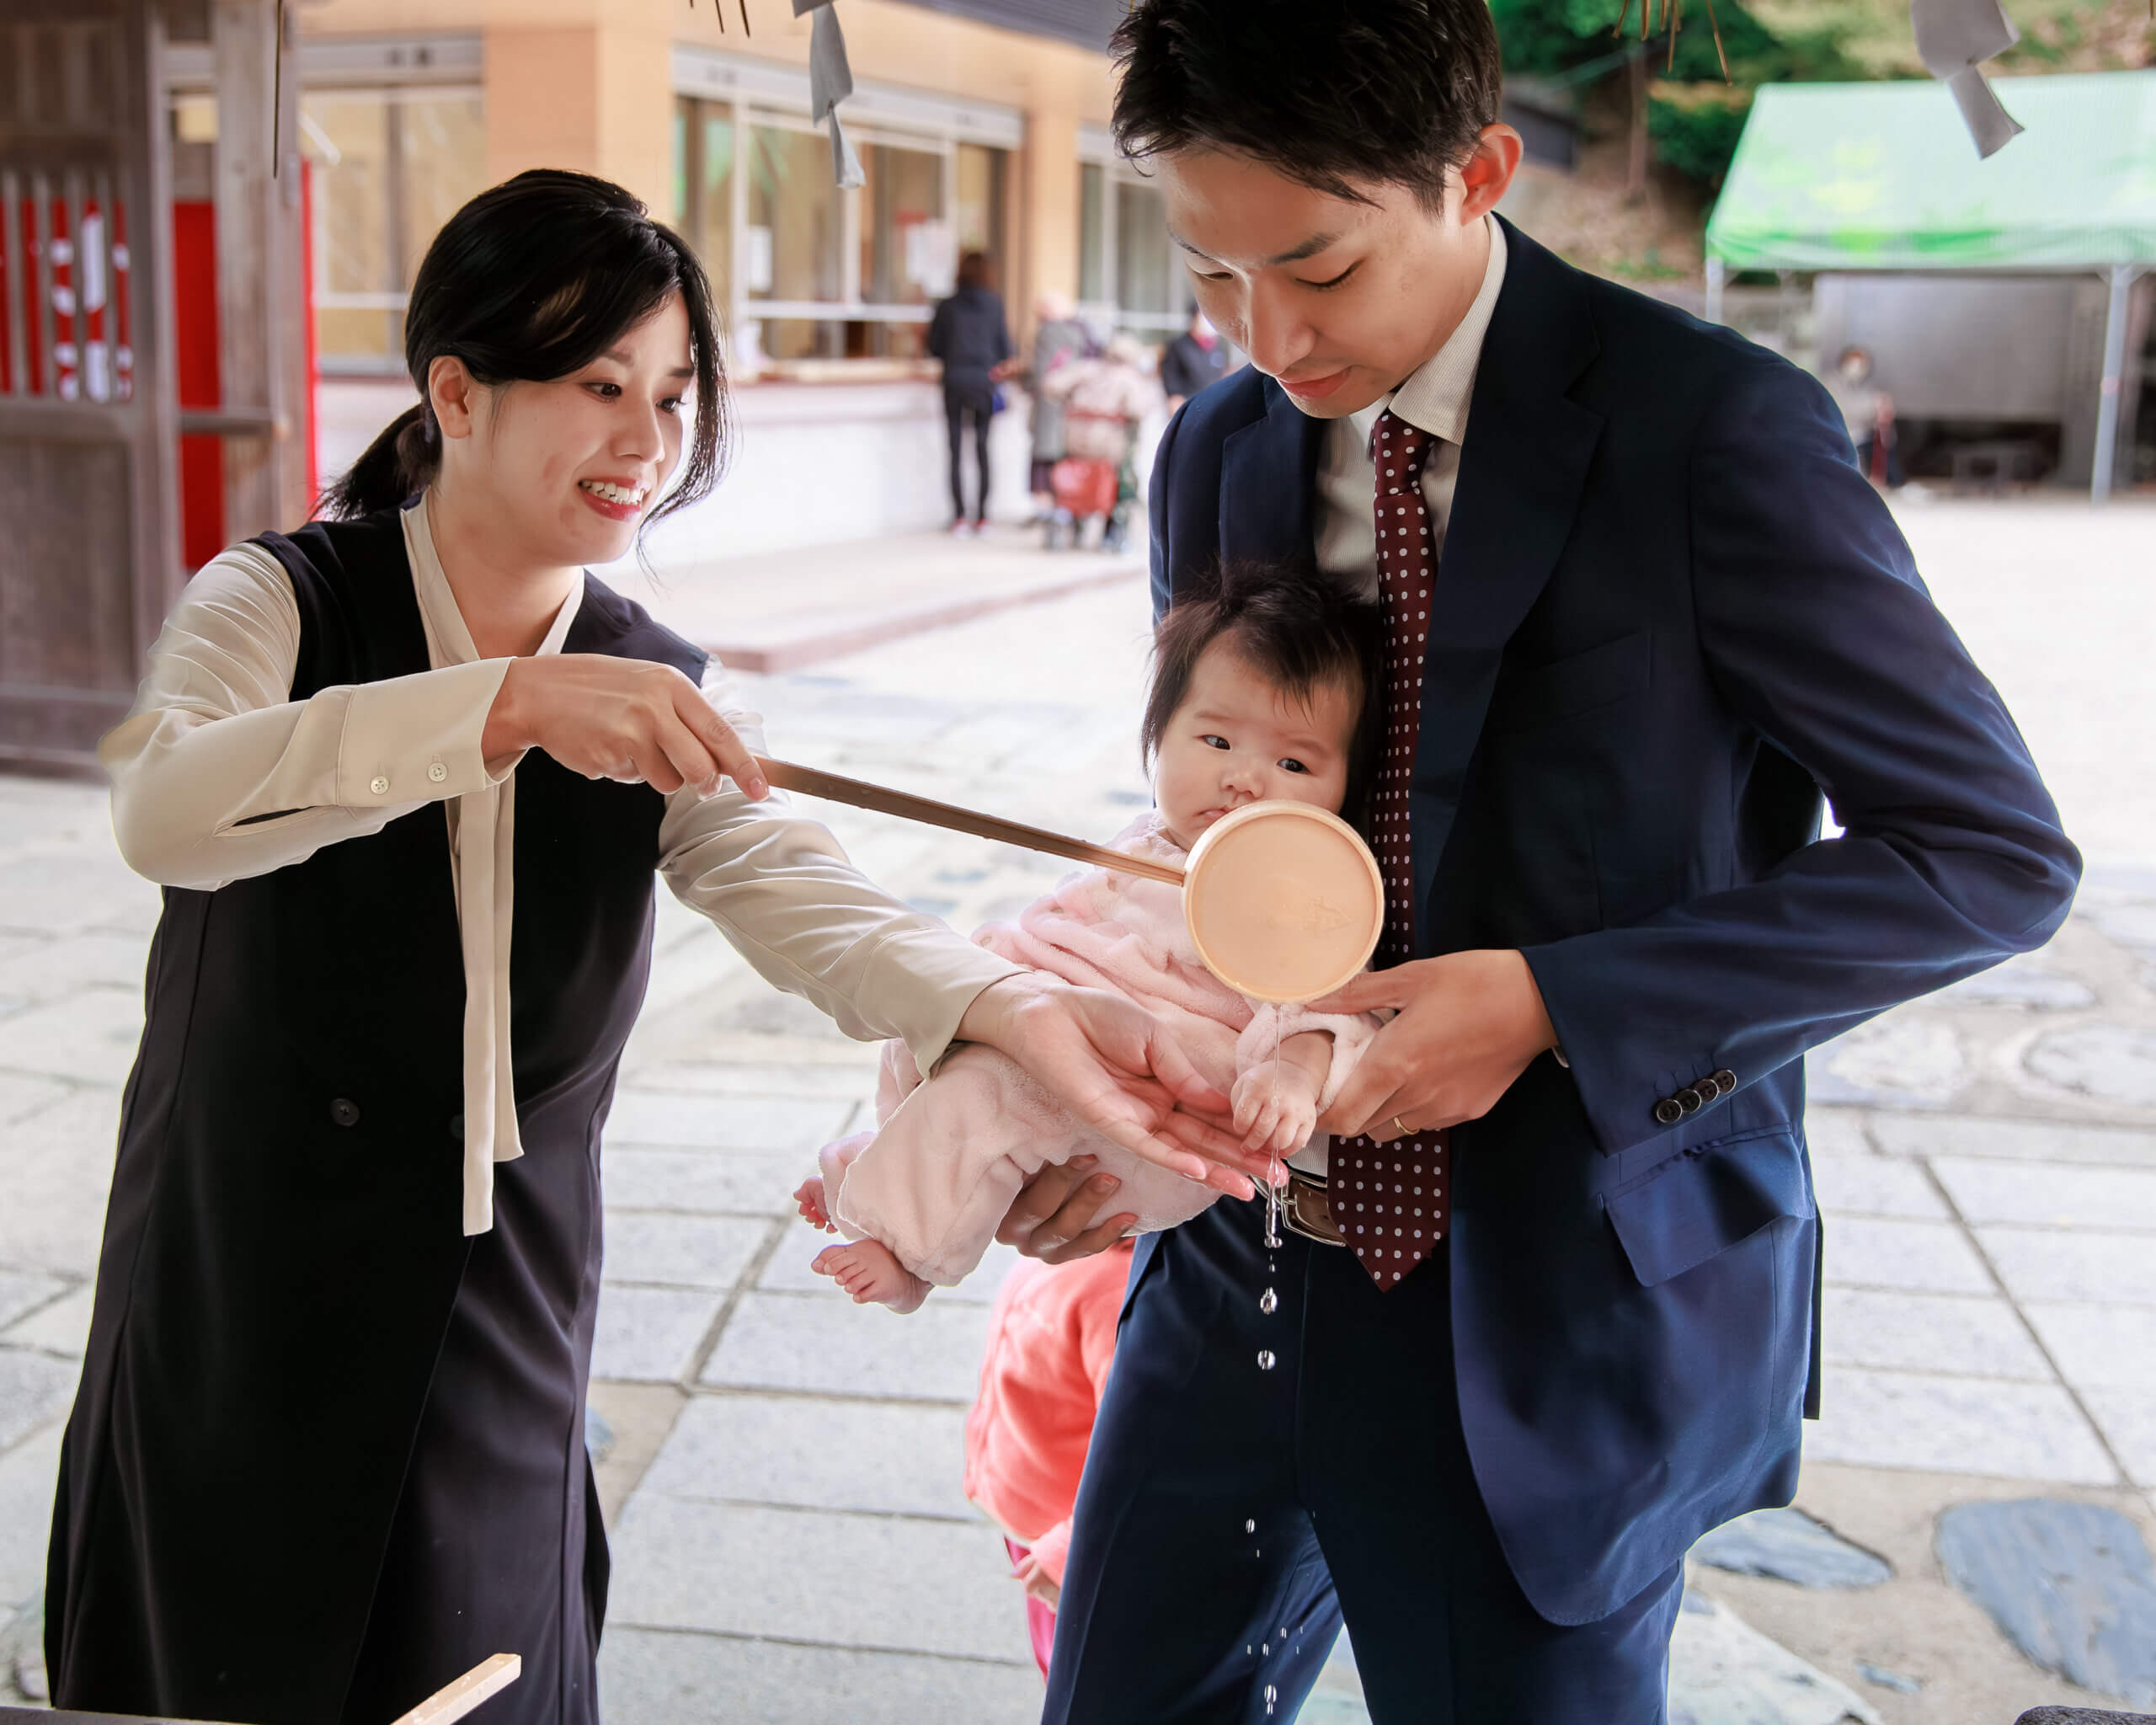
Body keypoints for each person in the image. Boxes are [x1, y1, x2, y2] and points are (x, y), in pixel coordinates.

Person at [42, 170, 1264, 1725]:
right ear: (457, 391)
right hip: (243, 1271)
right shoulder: (282, 597)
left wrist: (1023, 1012)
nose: (645, 440)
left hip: (505, 1289)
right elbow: (163, 806)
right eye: (599, 384)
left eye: (673, 394)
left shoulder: (640, 673)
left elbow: (791, 881)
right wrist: (501, 707)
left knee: (481, 1669)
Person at [1013, 5, 2083, 1723]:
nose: (1266, 334)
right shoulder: (1213, 452)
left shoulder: (1708, 434)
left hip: (1547, 1300)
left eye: (1318, 266)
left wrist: (1551, 1003)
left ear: (1480, 174)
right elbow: (1218, 842)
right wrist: (1103, 1103)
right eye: (1209, 277)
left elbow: (1984, 853)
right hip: (1240, 1259)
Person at [793, 559, 1385, 1311]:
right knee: (934, 1014)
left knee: (995, 1091)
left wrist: (1292, 1078)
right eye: (1216, 741)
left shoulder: (1306, 894)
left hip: (1164, 1103)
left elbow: (1327, 1008)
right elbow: (1065, 925)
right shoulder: (1147, 841)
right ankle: (883, 1174)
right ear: (1158, 736)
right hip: (1073, 1028)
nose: (1244, 780)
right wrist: (991, 975)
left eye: (1294, 761)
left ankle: (909, 1253)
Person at [963, 1239, 1135, 1681]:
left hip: (1076, 1552)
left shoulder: (1116, 1291)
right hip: (1036, 1527)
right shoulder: (1071, 1237)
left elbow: (1141, 1450)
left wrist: (1073, 1550)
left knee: (1078, 1677)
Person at [1040, 333, 1166, 551]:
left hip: (1075, 442)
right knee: (1126, 479)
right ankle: (1114, 528)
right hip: (1109, 446)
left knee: (1069, 469)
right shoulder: (1129, 378)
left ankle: (1068, 518)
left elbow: (1051, 385)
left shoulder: (1085, 369)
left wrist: (1072, 401)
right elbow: (1139, 409)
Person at [926, 248, 1015, 534]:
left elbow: (934, 346)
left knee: (954, 449)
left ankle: (959, 517)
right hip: (983, 381)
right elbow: (1005, 348)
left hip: (954, 379)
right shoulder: (994, 304)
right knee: (982, 447)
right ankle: (983, 517)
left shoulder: (947, 306)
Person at [1027, 291, 1093, 521]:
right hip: (1079, 407)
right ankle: (1067, 507)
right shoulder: (1085, 332)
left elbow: (1039, 374)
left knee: (1045, 457)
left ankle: (1047, 509)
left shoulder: (1049, 332)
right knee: (1068, 457)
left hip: (1050, 404)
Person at [1828, 344, 1903, 488]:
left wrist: (1882, 408)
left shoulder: (1863, 386)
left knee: (1886, 438)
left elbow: (1872, 408)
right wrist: (1873, 407)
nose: (1857, 367)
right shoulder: (1832, 383)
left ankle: (1892, 481)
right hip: (1843, 432)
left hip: (1862, 433)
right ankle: (1890, 481)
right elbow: (1844, 410)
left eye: (1861, 363)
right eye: (1853, 361)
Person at [1160, 305, 1234, 410]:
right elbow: (1170, 375)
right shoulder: (1179, 346)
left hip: (1214, 403)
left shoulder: (1217, 347)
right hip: (1188, 404)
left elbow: (1223, 373)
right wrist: (1174, 398)